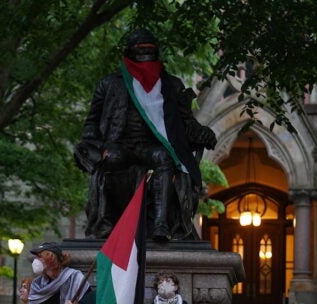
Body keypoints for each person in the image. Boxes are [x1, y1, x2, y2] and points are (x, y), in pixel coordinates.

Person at [74, 28, 217, 241]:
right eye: (140, 49)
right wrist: (95, 148)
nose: (144, 54)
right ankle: (109, 224)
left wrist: (204, 133)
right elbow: (91, 123)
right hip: (119, 145)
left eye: (149, 49)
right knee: (113, 159)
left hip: (151, 147)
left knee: (163, 158)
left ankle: (160, 225)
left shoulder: (170, 85)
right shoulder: (110, 84)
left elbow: (184, 123)